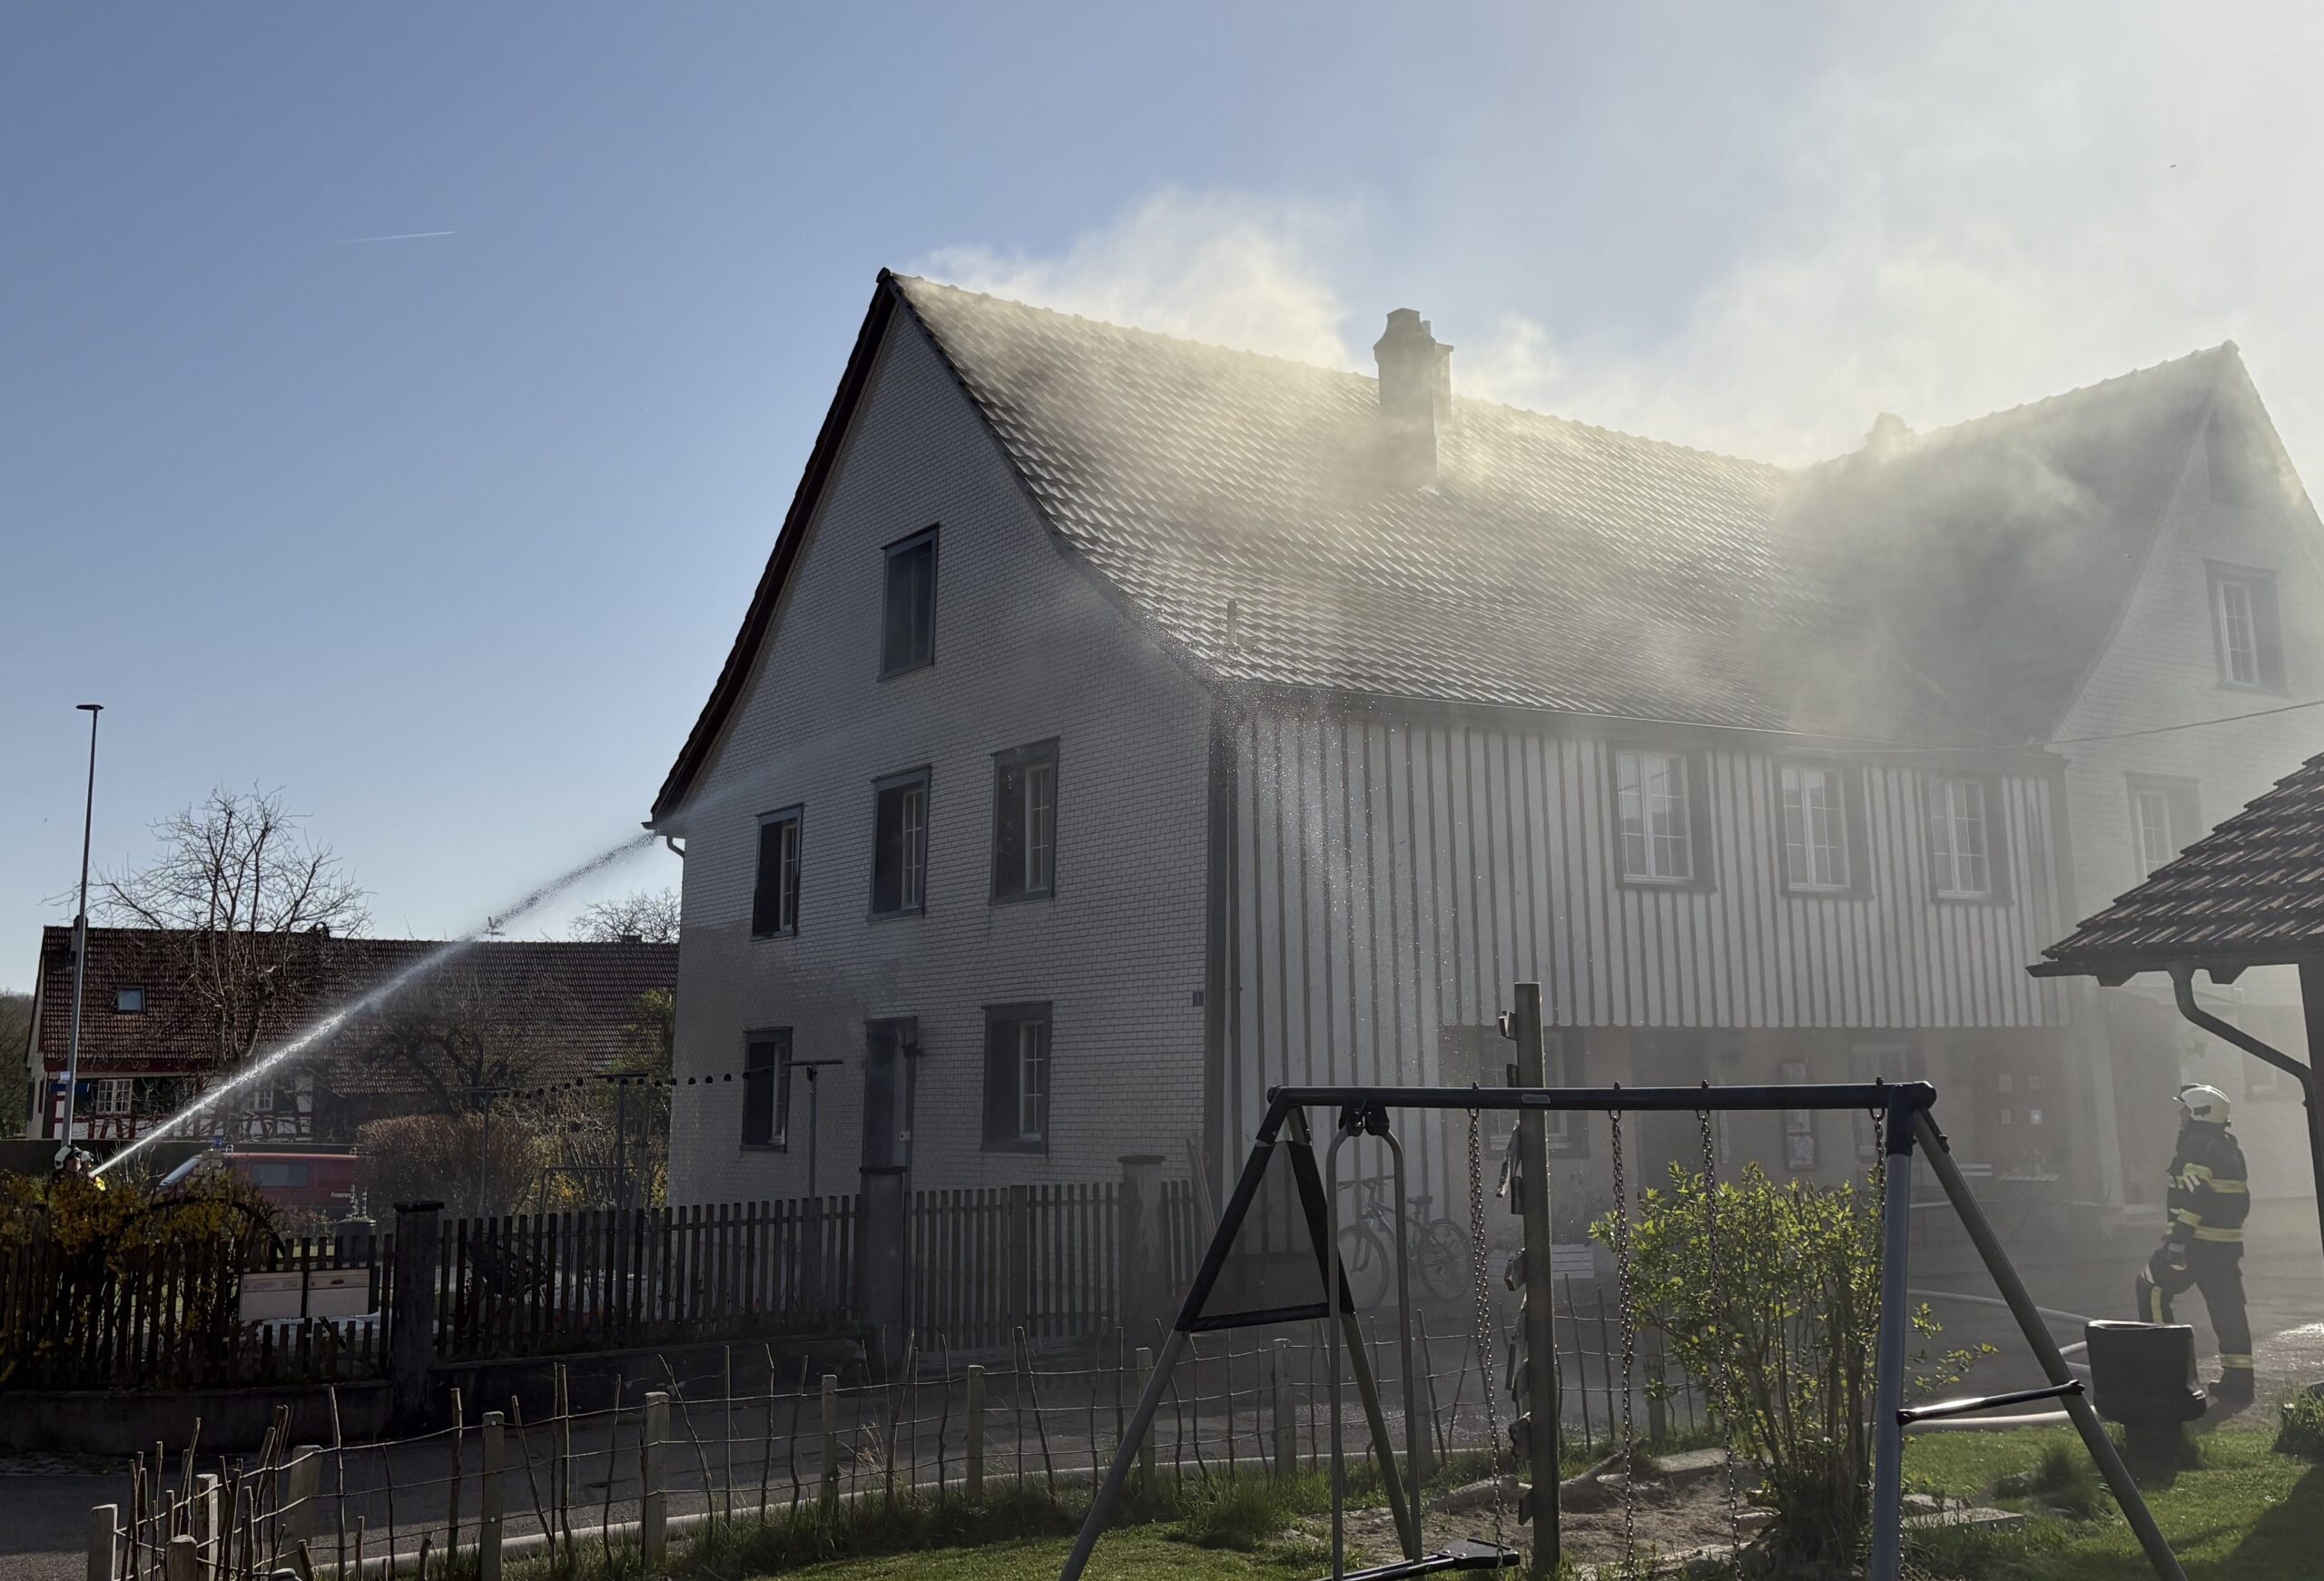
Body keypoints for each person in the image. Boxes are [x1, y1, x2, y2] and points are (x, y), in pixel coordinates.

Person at [2135, 1084, 2253, 1403]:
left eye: (2185, 1110)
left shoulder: (2196, 1146)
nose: (2180, 1115)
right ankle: (2240, 1381)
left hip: (2195, 1245)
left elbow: (2195, 1197)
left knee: (2151, 1287)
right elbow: (2241, 1201)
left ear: (2200, 1113)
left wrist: (2178, 1242)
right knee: (2227, 1308)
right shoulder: (2229, 1147)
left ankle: (2169, 1377)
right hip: (2226, 1246)